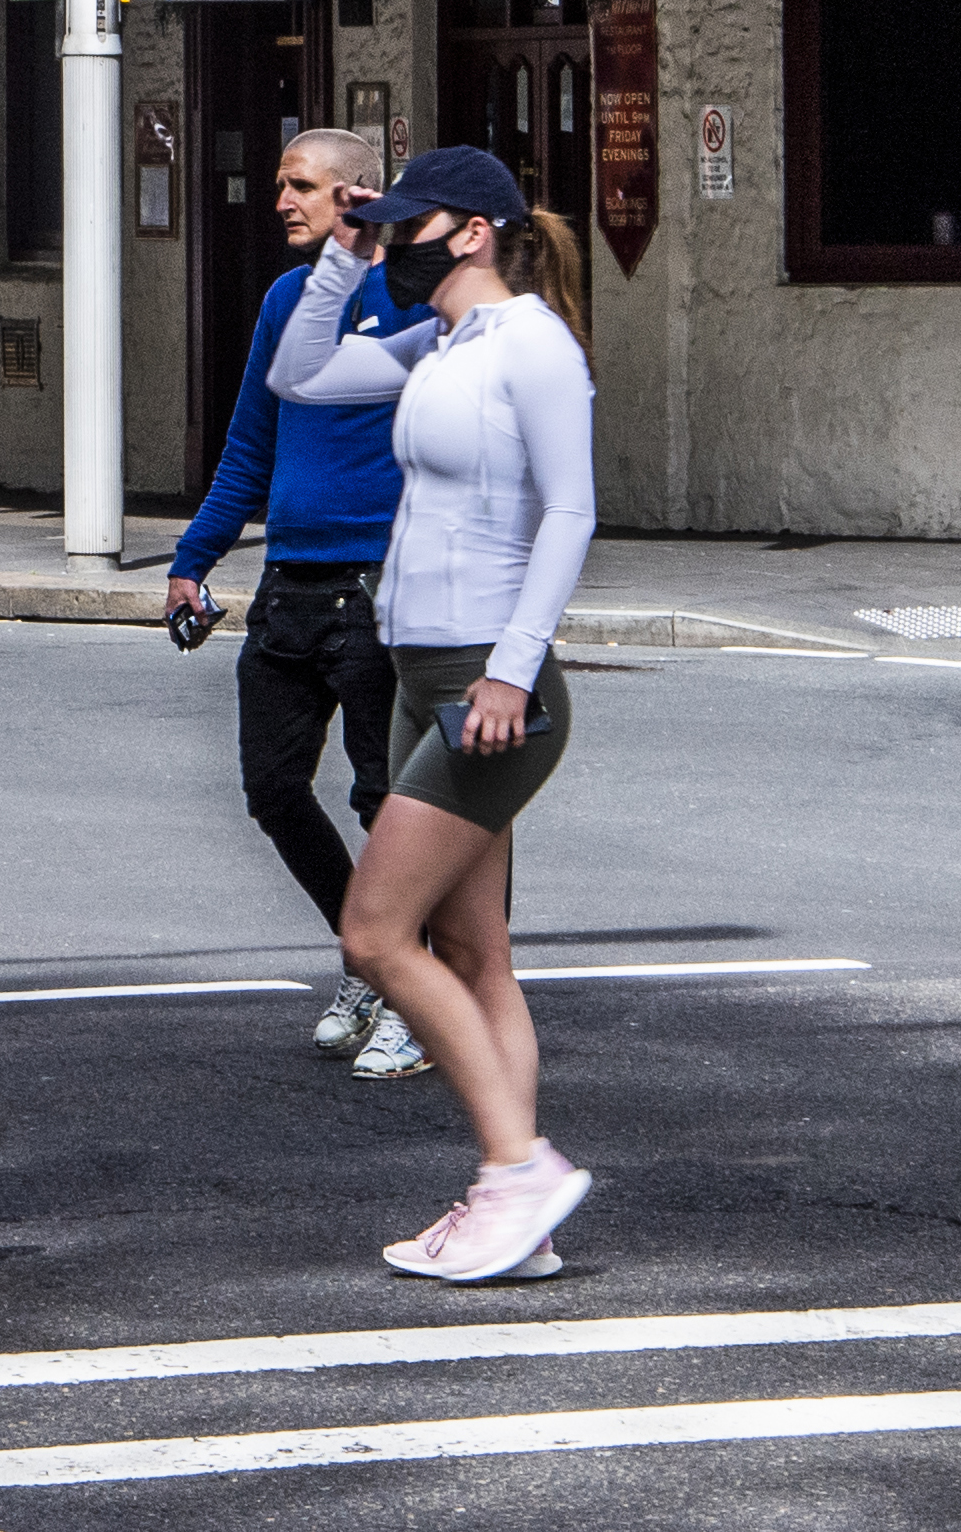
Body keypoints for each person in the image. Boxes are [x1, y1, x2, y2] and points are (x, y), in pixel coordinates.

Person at [269, 143, 598, 1283]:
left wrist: (511, 672)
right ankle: (524, 1216)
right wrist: (338, 262)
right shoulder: (440, 341)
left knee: (374, 932)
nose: (391, 238)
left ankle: (519, 1168)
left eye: (407, 224)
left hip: (485, 683)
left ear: (471, 230)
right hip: (421, 669)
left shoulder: (533, 344)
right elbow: (300, 379)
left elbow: (570, 512)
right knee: (476, 953)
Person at [166, 126, 426, 1078]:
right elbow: (250, 447)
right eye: (279, 181)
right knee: (274, 789)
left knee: (382, 800)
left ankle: (416, 988)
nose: (281, 198)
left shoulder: (411, 299)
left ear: (357, 196)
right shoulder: (287, 300)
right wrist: (194, 560)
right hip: (287, 593)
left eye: (301, 185)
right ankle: (372, 957)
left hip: (373, 593)